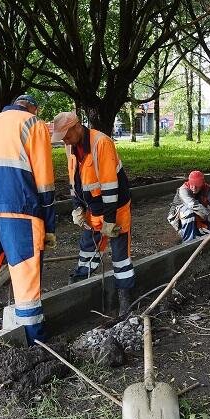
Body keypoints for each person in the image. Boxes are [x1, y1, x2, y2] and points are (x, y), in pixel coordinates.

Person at [0, 94, 55, 344]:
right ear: (32, 108)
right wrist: (49, 222)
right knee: (25, 279)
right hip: (21, 211)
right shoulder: (33, 123)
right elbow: (44, 179)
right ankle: (34, 342)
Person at [51, 111, 135, 317]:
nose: (65, 140)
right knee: (87, 248)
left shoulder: (101, 143)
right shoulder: (70, 145)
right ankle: (80, 285)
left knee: (120, 256)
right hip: (93, 208)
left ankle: (125, 302)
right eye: (62, 137)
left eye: (67, 135)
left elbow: (110, 187)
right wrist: (77, 206)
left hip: (115, 209)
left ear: (77, 127)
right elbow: (74, 181)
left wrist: (109, 221)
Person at [167, 170, 210, 242]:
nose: (193, 188)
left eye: (197, 186)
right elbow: (193, 205)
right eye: (192, 184)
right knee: (189, 211)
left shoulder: (206, 189)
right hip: (178, 218)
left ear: (202, 184)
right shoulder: (183, 190)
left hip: (198, 214)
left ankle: (198, 231)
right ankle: (188, 241)